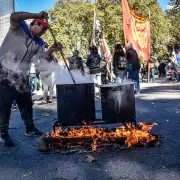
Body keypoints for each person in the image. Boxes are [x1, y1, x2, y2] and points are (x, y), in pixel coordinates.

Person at [0, 11, 62, 146]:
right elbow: (14, 16)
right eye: (42, 27)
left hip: (22, 74)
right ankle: (3, 131)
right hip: (4, 71)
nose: (43, 31)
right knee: (5, 104)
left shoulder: (39, 42)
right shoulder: (19, 26)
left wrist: (51, 50)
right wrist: (35, 14)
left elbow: (42, 59)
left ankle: (29, 127)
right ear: (34, 23)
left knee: (26, 102)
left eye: (45, 29)